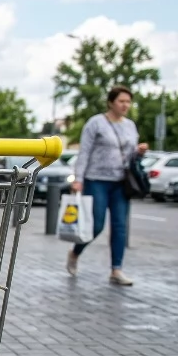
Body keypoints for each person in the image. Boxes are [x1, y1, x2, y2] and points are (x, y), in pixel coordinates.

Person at [67, 86, 148, 285]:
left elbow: (129, 156)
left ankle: (116, 269)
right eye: (121, 101)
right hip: (97, 180)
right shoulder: (95, 123)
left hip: (121, 182)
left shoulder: (130, 126)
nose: (125, 105)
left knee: (120, 226)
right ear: (111, 102)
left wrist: (138, 152)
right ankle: (75, 252)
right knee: (97, 224)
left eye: (128, 102)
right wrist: (79, 179)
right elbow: (84, 152)